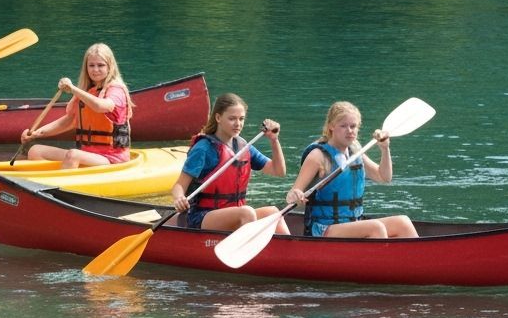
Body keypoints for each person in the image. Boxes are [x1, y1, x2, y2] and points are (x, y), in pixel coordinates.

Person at [286, 101, 419, 238]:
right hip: (324, 228)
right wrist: (296, 195)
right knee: (375, 228)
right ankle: (380, 259)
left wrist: (385, 149)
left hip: (354, 222)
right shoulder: (317, 156)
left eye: (353, 126)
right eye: (343, 126)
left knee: (403, 223)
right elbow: (291, 196)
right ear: (331, 126)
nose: (349, 131)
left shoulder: (355, 150)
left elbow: (384, 177)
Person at [172, 92, 289, 233]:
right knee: (247, 213)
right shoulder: (203, 148)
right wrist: (179, 198)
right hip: (201, 216)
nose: (238, 124)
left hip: (236, 215)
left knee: (273, 213)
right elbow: (179, 185)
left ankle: (291, 254)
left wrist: (274, 140)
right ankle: (247, 253)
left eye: (241, 119)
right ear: (218, 117)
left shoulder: (244, 147)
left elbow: (279, 171)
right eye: (232, 119)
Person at [19, 43, 131, 167]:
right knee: (35, 151)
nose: (95, 69)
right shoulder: (88, 91)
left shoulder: (116, 90)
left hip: (111, 158)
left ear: (110, 67)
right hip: (87, 154)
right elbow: (69, 120)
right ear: (86, 67)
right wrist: (37, 133)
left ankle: (60, 185)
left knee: (73, 154)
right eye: (91, 65)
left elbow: (102, 106)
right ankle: (40, 183)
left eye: (101, 65)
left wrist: (73, 89)